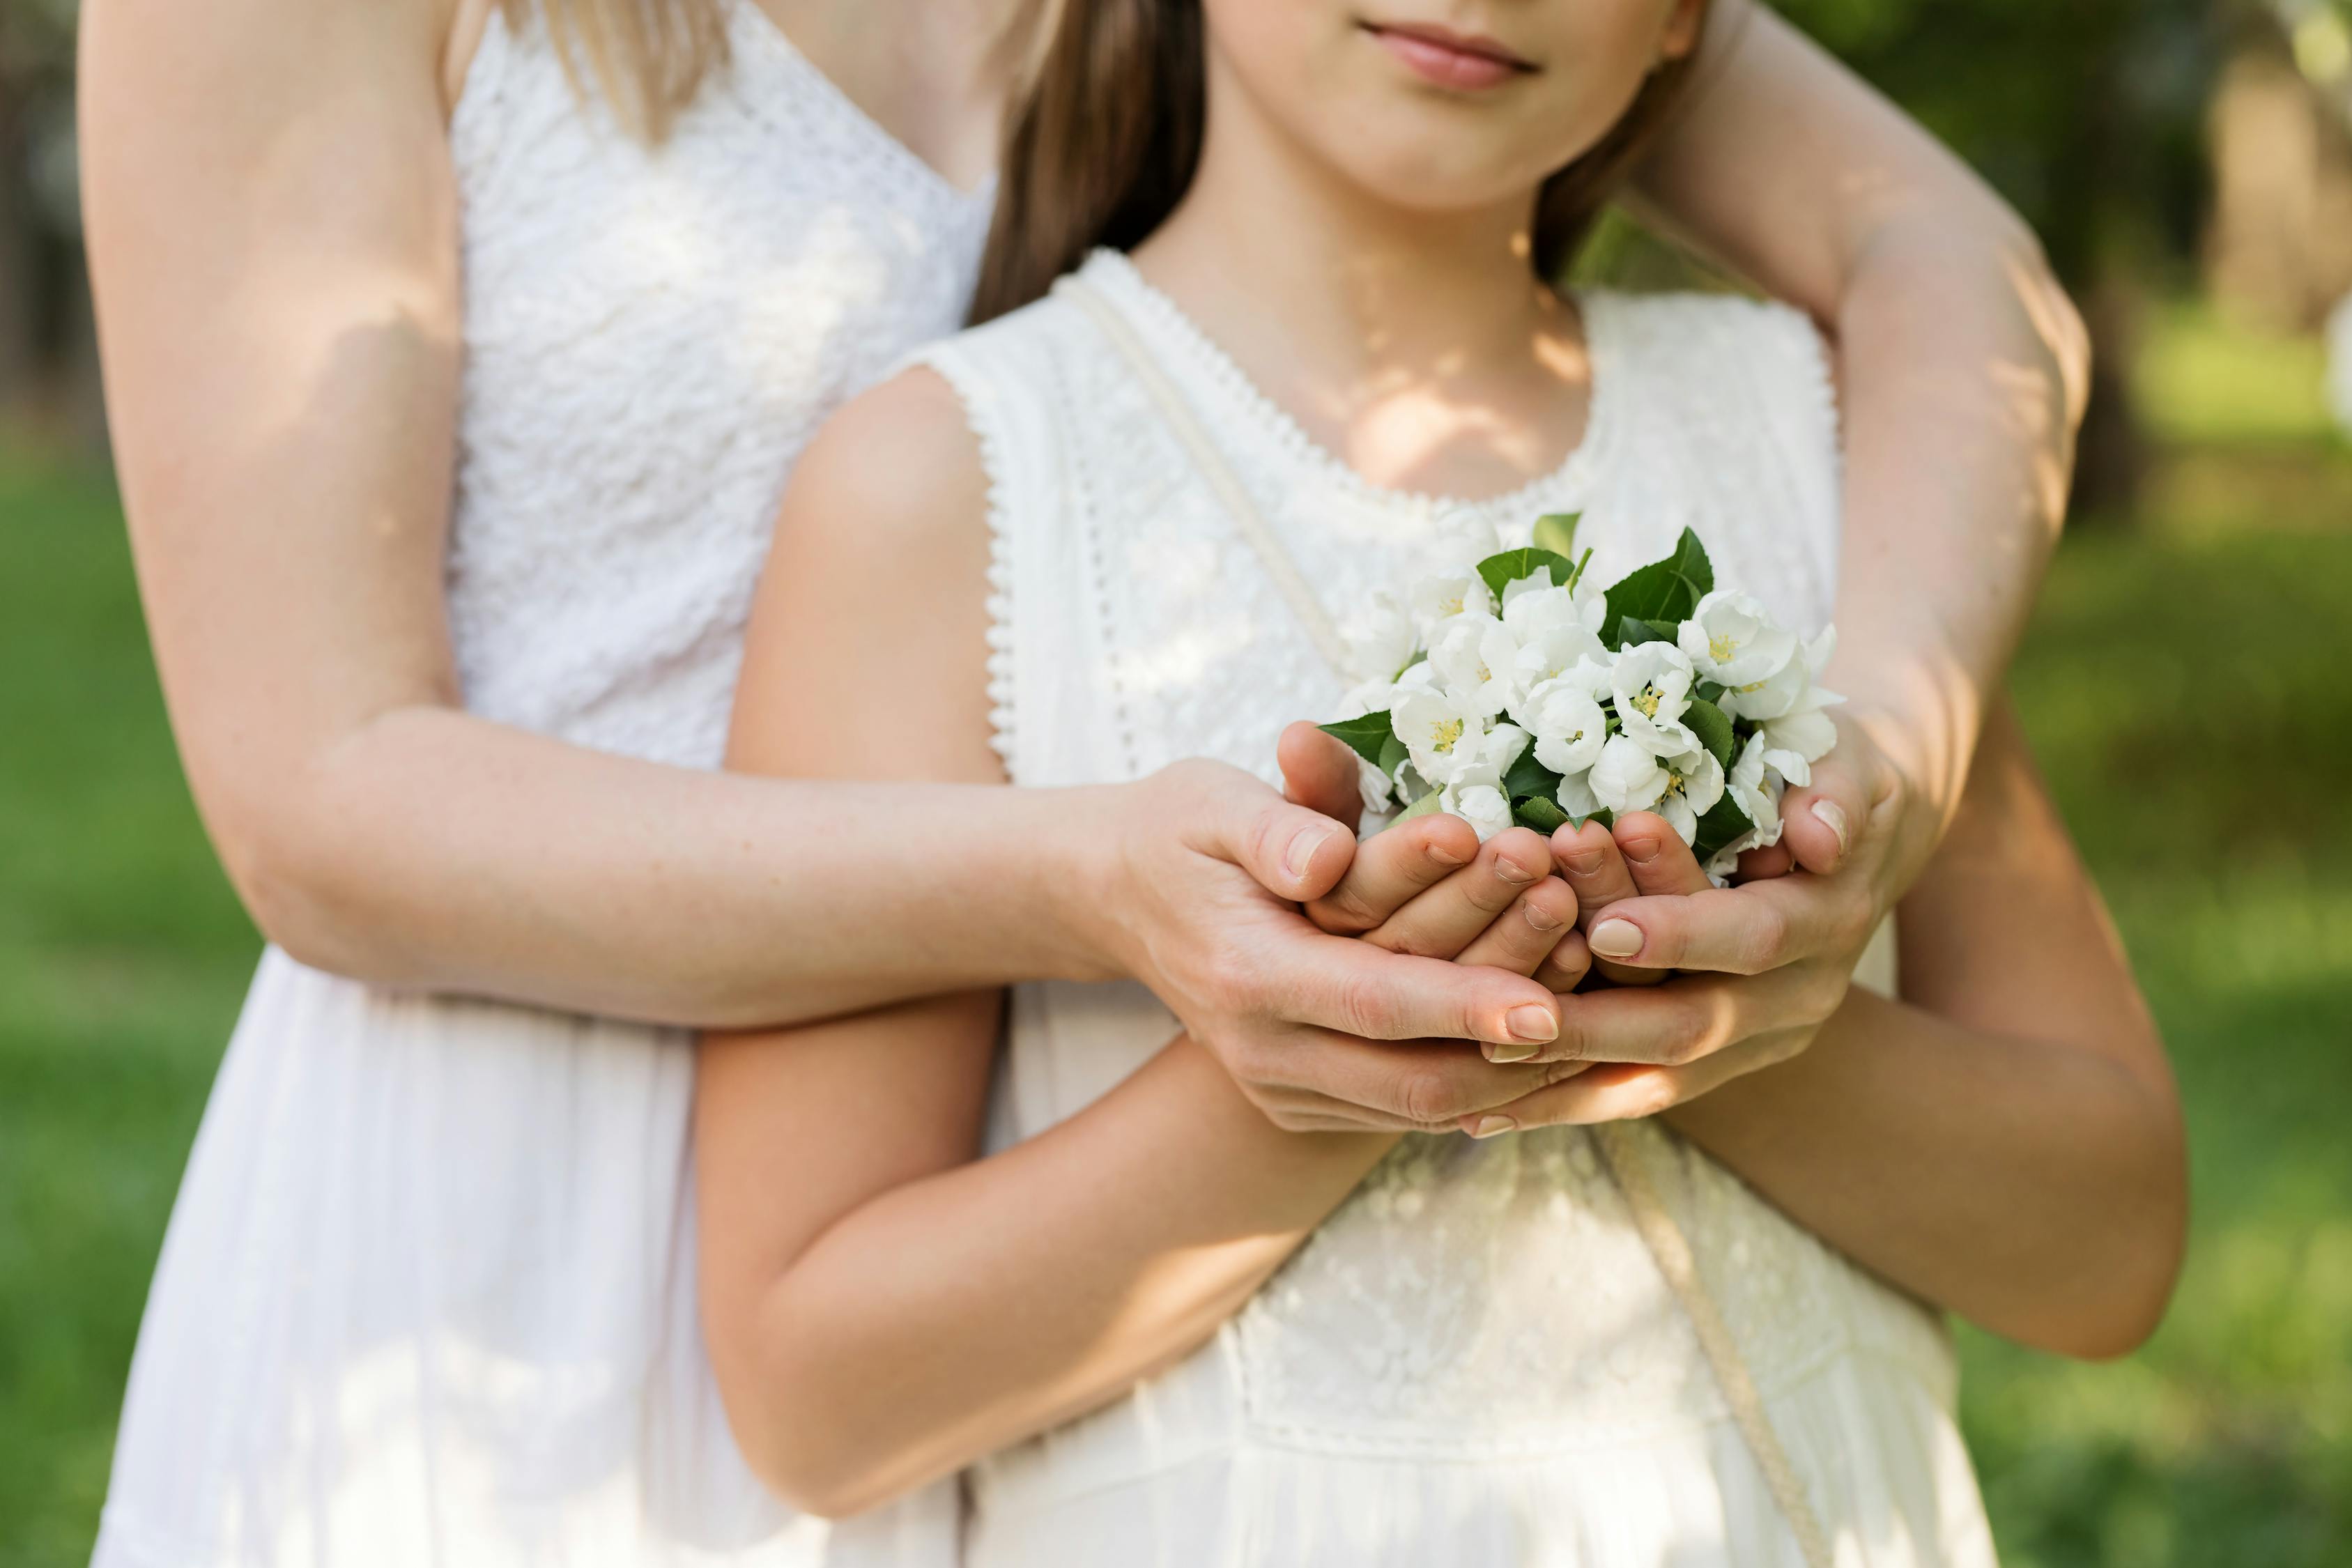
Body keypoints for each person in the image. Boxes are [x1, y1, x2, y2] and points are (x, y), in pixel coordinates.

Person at [80, 0, 2086, 1559]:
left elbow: (1953, 266)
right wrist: (1110, 892)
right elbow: (318, 802)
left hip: (1038, 1195)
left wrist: (1876, 765)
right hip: (510, 1213)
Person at [693, 0, 2185, 1560]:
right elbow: (817, 1398)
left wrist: (1702, 987)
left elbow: (2107, 1243)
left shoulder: (1835, 448)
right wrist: (1369, 1033)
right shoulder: (945, 486)